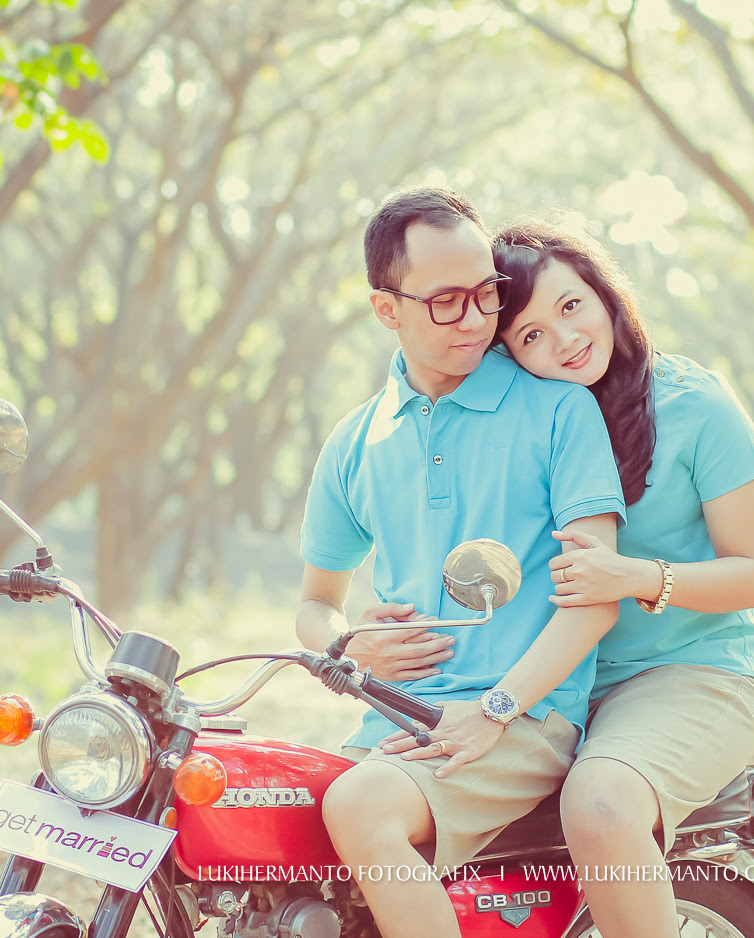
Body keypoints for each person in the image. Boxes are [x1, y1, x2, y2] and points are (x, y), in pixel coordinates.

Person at [295, 188, 628, 938]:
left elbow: (597, 597)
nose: (479, 319)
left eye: (487, 293)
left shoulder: (557, 411)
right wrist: (346, 643)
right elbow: (315, 604)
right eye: (448, 301)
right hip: (398, 724)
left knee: (356, 807)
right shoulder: (356, 441)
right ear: (388, 309)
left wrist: (497, 708)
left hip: (520, 718)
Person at [490, 219, 754, 938]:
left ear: (604, 295)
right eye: (528, 335)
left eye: (570, 306)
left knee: (602, 805)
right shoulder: (522, 426)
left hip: (695, 674)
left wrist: (634, 576)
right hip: (557, 683)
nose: (562, 340)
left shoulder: (696, 405)